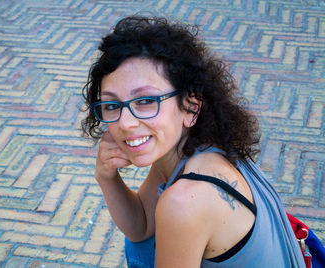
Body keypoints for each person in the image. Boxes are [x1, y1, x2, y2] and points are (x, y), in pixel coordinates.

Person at [82, 15, 305, 267]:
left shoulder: (184, 202)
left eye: (145, 101)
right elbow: (142, 226)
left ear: (190, 107)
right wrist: (106, 177)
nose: (124, 123)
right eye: (112, 104)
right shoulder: (191, 146)